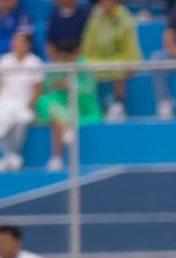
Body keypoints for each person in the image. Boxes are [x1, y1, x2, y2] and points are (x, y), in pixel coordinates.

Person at [35, 38, 102, 172]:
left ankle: (57, 157)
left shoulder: (84, 65)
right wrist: (56, 85)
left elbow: (89, 89)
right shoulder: (58, 64)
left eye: (68, 57)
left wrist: (70, 85)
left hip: (82, 106)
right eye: (63, 57)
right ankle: (65, 131)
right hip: (61, 103)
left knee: (56, 119)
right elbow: (48, 85)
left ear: (75, 54)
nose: (65, 59)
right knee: (46, 102)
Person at [81, 0, 142, 121]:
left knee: (119, 65)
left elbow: (130, 43)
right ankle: (91, 107)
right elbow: (88, 42)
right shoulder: (96, 18)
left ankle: (119, 104)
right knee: (82, 64)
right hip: (98, 58)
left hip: (120, 56)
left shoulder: (125, 17)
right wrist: (84, 56)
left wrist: (133, 61)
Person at [0, 31, 41, 172]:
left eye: (20, 42)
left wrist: (30, 106)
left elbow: (37, 89)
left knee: (21, 120)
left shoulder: (34, 62)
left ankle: (10, 156)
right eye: (14, 41)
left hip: (24, 103)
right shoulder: (5, 60)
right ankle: (12, 156)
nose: (16, 45)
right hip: (5, 102)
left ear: (28, 45)